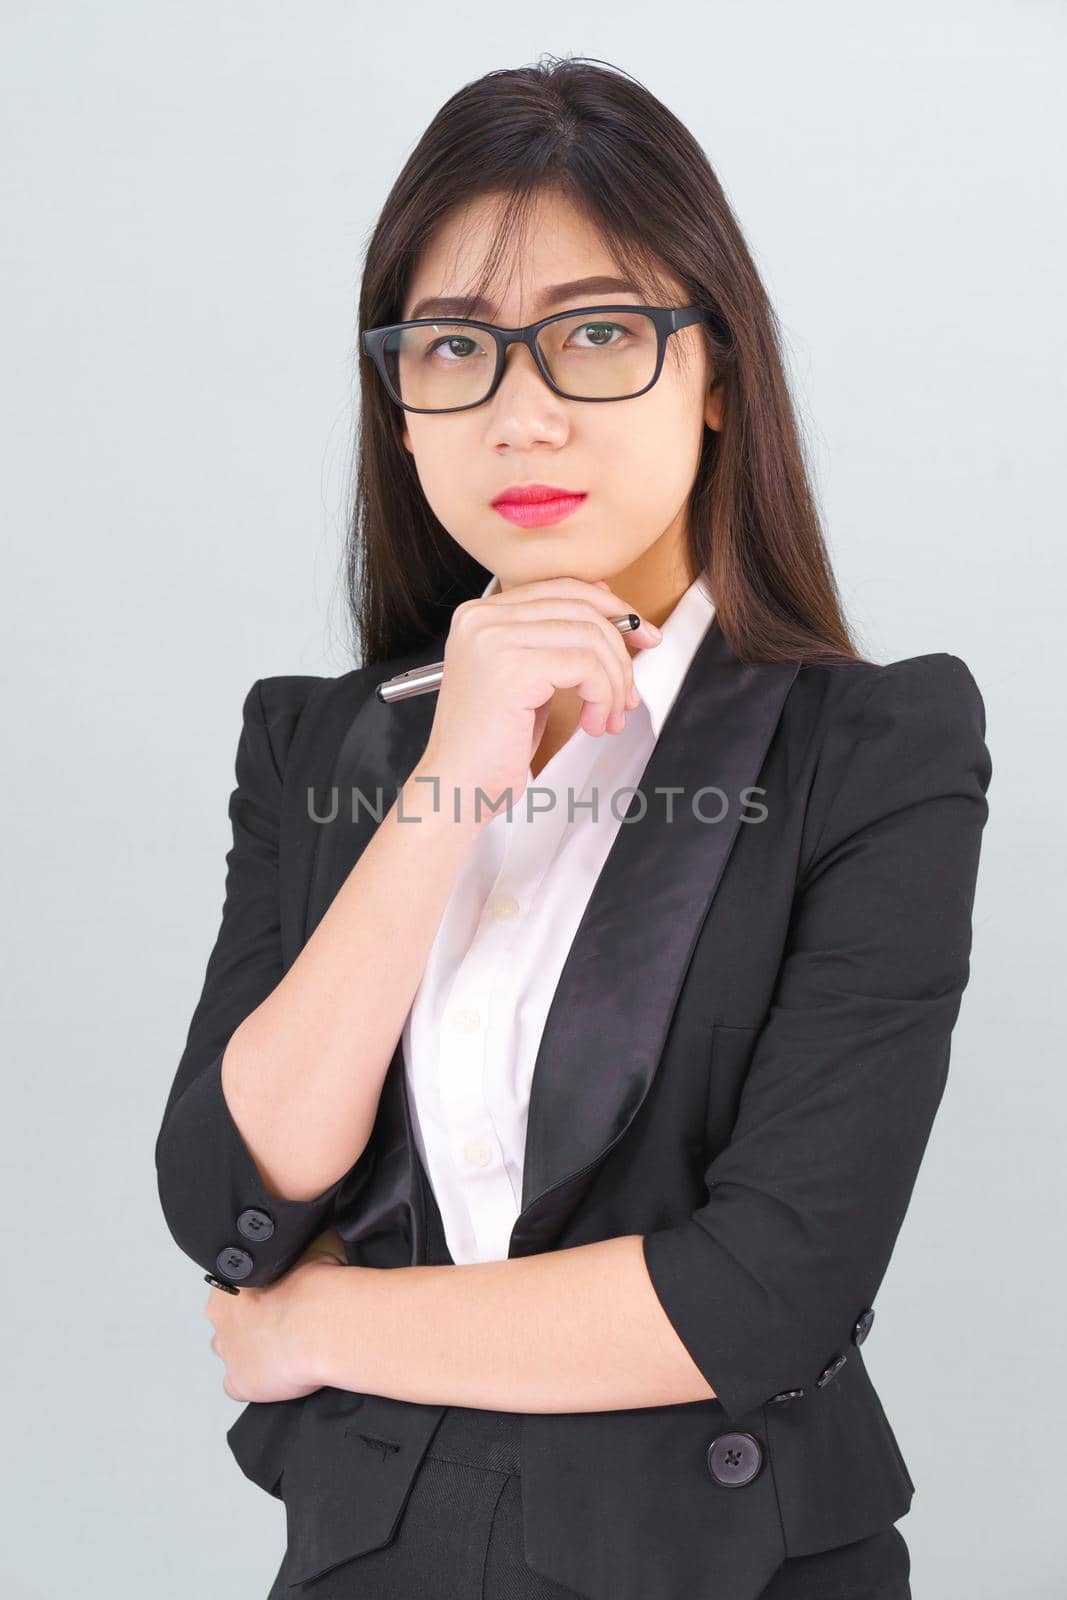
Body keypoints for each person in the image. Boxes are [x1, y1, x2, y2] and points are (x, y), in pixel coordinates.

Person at [154, 55, 992, 1600]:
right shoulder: (316, 743)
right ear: (397, 402)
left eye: (597, 334)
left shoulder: (874, 746)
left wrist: (317, 1327)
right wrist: (450, 774)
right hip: (376, 1560)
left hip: (728, 1564)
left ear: (719, 372)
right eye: (456, 348)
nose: (522, 414)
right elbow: (229, 1198)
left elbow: (761, 1290)